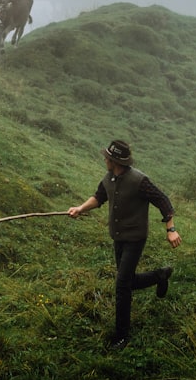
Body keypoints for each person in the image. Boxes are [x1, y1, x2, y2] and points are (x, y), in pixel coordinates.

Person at [68, 140, 182, 350]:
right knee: (127, 281)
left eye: (107, 158)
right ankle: (159, 275)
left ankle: (121, 336)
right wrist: (80, 209)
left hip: (135, 238)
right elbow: (98, 197)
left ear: (114, 161)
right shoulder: (109, 178)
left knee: (121, 286)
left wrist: (171, 229)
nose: (104, 160)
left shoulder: (139, 181)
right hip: (118, 237)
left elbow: (163, 201)